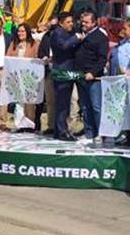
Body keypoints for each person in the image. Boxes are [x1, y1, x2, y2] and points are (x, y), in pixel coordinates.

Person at [74, 10, 109, 142]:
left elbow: (102, 58)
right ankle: (89, 132)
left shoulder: (100, 37)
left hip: (94, 78)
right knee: (84, 106)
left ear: (94, 23)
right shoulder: (80, 35)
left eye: (87, 22)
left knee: (96, 106)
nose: (83, 24)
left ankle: (100, 132)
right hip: (80, 76)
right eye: (82, 21)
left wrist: (93, 72)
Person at [47, 12, 82, 140]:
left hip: (70, 71)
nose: (71, 24)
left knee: (66, 103)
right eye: (68, 22)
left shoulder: (68, 33)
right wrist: (76, 38)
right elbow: (64, 46)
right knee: (62, 103)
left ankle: (59, 130)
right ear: (61, 23)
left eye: (72, 21)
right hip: (62, 72)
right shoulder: (57, 33)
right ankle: (62, 131)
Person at [6, 23, 39, 129]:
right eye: (19, 31)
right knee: (19, 103)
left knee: (29, 102)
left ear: (27, 32)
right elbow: (8, 58)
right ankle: (20, 125)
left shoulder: (35, 43)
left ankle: (30, 125)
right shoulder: (13, 44)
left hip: (30, 77)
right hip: (16, 77)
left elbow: (38, 58)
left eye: (23, 31)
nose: (20, 33)